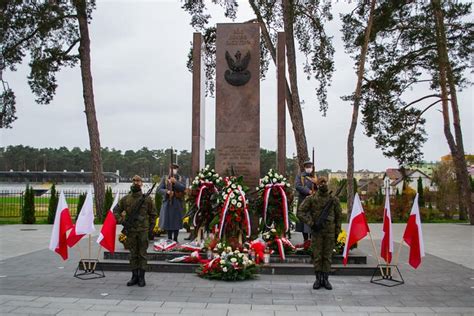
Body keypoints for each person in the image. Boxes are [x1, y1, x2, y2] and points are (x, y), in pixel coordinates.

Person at [297, 177, 342, 290]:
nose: (323, 185)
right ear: (317, 185)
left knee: (327, 257)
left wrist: (337, 232)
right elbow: (300, 212)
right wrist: (311, 223)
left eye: (324, 182)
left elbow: (338, 217)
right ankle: (318, 279)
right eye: (320, 183)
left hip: (330, 232)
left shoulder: (333, 199)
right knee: (317, 257)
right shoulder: (312, 199)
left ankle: (325, 279)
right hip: (317, 232)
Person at [113, 175, 157, 287]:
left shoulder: (147, 199)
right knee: (133, 254)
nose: (136, 182)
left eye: (138, 181)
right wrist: (122, 221)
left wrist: (151, 229)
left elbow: (153, 214)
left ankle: (141, 277)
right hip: (131, 230)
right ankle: (134, 276)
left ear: (141, 183)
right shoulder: (126, 199)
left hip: (143, 230)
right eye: (134, 180)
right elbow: (116, 210)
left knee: (142, 254)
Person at [158, 163, 186, 242]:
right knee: (168, 221)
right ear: (169, 169)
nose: (174, 170)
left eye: (175, 168)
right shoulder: (165, 178)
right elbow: (159, 189)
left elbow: (183, 188)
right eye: (172, 168)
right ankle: (169, 238)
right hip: (168, 202)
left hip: (177, 202)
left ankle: (175, 238)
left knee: (176, 222)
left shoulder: (181, 178)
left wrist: (175, 182)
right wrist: (167, 191)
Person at [294, 160, 318, 241]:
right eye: (307, 167)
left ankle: (312, 240)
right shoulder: (300, 176)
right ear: (304, 167)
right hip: (303, 201)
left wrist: (316, 187)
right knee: (303, 222)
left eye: (310, 167)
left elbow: (319, 186)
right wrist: (309, 191)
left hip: (313, 202)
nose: (309, 168)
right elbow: (298, 186)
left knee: (312, 221)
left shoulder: (315, 177)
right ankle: (306, 240)